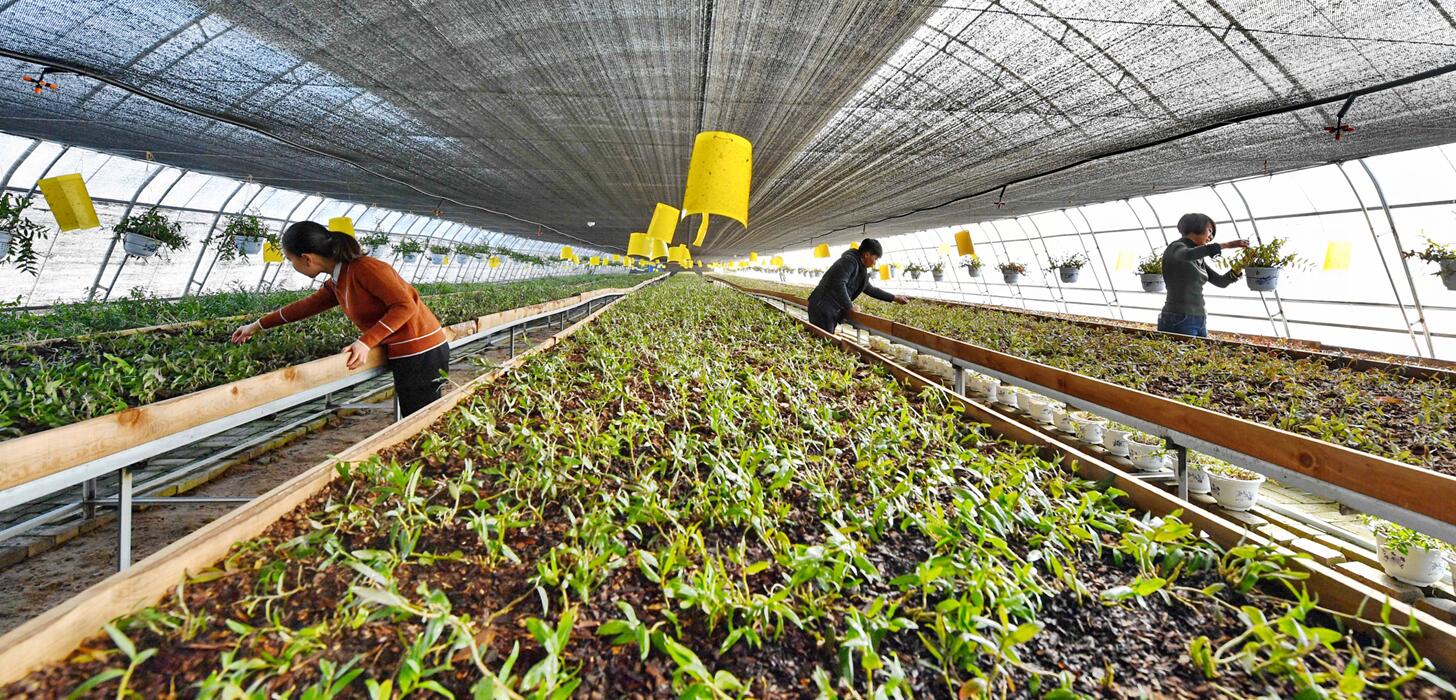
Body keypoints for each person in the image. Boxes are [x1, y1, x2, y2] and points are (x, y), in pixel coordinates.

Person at [230, 221, 450, 418]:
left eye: (290, 259)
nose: (292, 265)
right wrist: (256, 326)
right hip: (409, 352)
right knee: (417, 415)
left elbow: (405, 306)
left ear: (307, 258)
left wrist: (365, 342)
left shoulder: (365, 268)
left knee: (421, 420)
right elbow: (304, 307)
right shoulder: (339, 279)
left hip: (421, 350)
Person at [1158, 213, 1249, 338]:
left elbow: (1221, 281)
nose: (1211, 237)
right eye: (1210, 231)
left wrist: (1242, 264)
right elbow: (1187, 255)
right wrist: (1227, 245)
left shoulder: (1198, 258)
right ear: (1196, 226)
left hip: (1199, 319)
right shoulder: (1176, 247)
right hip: (1178, 317)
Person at [806, 238, 909, 334]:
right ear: (867, 255)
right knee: (823, 338)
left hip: (828, 308)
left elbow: (870, 289)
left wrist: (894, 298)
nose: (875, 263)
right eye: (875, 258)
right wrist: (850, 306)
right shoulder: (849, 261)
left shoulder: (861, 269)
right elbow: (839, 284)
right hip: (822, 307)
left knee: (822, 338)